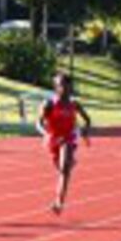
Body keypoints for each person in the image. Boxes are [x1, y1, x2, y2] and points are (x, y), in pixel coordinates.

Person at [37, 72, 91, 215]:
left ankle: (59, 202)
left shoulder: (74, 104)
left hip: (69, 137)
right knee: (61, 169)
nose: (66, 88)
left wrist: (85, 132)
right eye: (62, 85)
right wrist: (46, 134)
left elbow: (87, 120)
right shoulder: (49, 104)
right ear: (56, 87)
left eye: (68, 85)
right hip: (53, 138)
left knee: (64, 169)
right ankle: (69, 161)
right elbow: (38, 123)